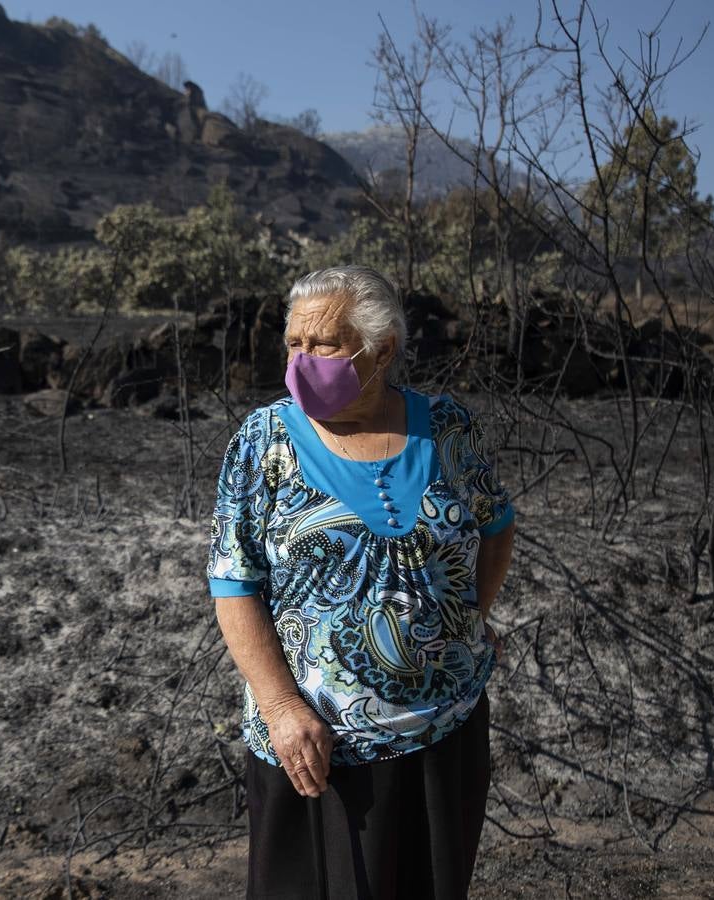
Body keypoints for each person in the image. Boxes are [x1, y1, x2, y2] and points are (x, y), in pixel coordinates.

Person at [206, 266, 517, 899]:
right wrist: (282, 707)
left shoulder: (448, 427)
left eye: (321, 344)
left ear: (382, 349)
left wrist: (468, 619)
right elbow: (233, 586)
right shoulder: (262, 443)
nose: (302, 359)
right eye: (293, 344)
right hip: (316, 750)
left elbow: (496, 525)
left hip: (442, 730)